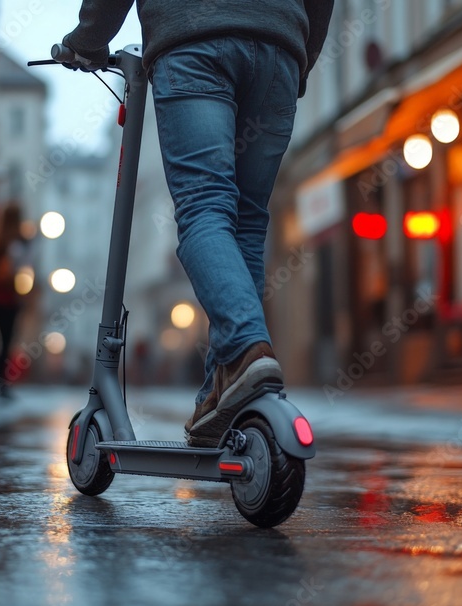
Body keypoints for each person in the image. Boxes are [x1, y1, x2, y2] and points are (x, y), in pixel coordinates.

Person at [61, 0, 334, 446]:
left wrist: (87, 42)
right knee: (247, 221)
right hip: (279, 49)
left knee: (205, 205)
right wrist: (300, 53)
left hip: (193, 39)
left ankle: (248, 346)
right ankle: (220, 391)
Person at [0, 203, 30, 398]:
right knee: (6, 341)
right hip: (8, 299)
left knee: (2, 341)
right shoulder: (14, 244)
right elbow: (9, 272)